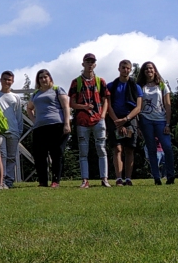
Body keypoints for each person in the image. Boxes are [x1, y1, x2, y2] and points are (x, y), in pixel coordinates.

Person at [69, 54, 108, 188]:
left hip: (98, 120)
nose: (90, 64)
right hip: (82, 121)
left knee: (101, 149)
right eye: (88, 62)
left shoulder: (100, 81)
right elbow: (71, 103)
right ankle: (85, 180)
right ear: (83, 64)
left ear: (95, 64)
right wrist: (84, 107)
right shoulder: (76, 82)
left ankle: (104, 178)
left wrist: (103, 115)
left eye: (92, 62)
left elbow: (105, 100)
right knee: (83, 152)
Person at [27, 69, 70, 187]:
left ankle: (56, 180)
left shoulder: (57, 90)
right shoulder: (35, 94)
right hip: (39, 127)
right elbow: (29, 108)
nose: (43, 79)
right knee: (39, 155)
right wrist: (34, 120)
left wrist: (67, 123)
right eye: (40, 78)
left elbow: (66, 107)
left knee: (56, 153)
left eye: (45, 77)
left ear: (50, 78)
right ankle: (43, 181)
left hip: (57, 125)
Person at [135, 61, 174, 186]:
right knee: (151, 150)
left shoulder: (162, 85)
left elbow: (168, 105)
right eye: (146, 69)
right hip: (145, 120)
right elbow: (137, 106)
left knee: (167, 148)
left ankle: (170, 175)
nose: (149, 71)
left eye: (151, 68)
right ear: (143, 71)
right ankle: (156, 178)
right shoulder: (140, 86)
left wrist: (168, 124)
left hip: (161, 120)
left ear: (155, 70)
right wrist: (138, 126)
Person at [106, 59, 142, 186]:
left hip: (130, 119)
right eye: (123, 67)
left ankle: (128, 178)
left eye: (128, 68)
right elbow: (108, 105)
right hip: (114, 119)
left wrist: (126, 119)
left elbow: (138, 107)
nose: (125, 70)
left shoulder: (136, 87)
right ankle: (118, 178)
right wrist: (117, 121)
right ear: (119, 68)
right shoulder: (111, 86)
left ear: (130, 70)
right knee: (117, 148)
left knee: (129, 148)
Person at [0, 71, 26, 187]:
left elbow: (19, 115)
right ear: (0, 80)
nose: (7, 82)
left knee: (11, 157)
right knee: (1, 155)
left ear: (12, 81)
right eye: (5, 79)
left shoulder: (16, 97)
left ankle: (9, 181)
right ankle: (2, 180)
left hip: (13, 130)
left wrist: (20, 131)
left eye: (9, 80)